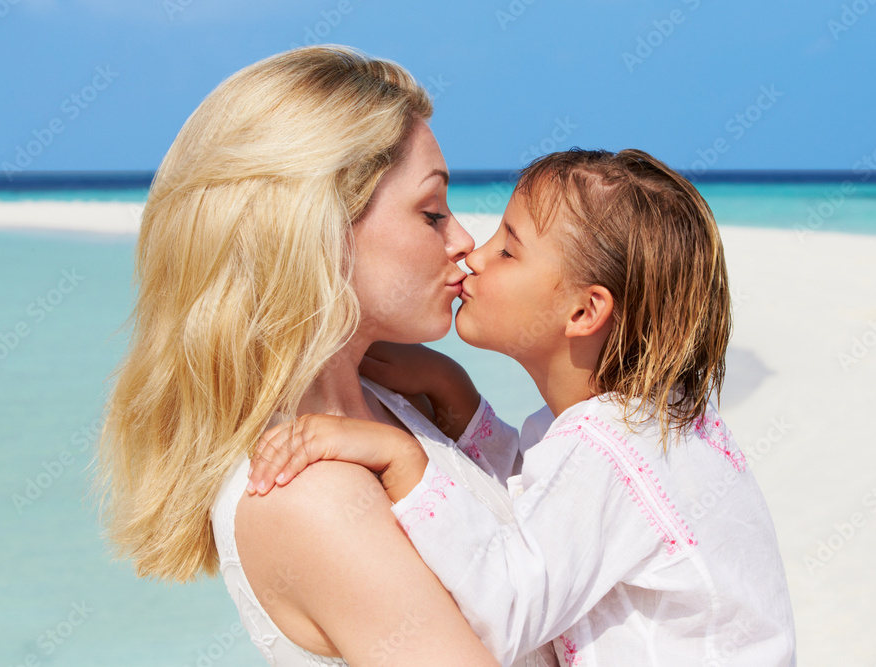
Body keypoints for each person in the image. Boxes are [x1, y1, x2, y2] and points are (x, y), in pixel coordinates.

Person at [96, 46, 559, 666]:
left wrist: (457, 398)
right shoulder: (309, 493)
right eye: (431, 213)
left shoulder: (394, 403)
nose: (463, 240)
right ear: (319, 228)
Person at [248, 149, 798, 665]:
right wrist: (456, 395)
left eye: (508, 251)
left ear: (584, 312)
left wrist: (405, 460)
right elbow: (546, 513)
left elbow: (507, 609)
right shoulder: (651, 424)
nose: (474, 255)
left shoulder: (610, 452)